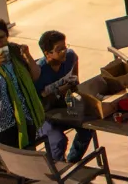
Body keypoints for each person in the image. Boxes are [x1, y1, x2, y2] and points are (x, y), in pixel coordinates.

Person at [33, 30, 94, 164]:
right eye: (59, 49)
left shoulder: (70, 57)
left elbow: (75, 79)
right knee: (58, 141)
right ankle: (58, 170)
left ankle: (71, 164)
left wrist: (72, 86)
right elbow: (36, 102)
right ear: (47, 54)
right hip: (44, 115)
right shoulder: (38, 73)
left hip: (64, 107)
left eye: (65, 47)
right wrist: (57, 92)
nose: (64, 51)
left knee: (88, 129)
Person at [0, 22, 43, 151]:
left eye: (1, 38)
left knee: (28, 158)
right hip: (4, 125)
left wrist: (28, 56)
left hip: (26, 117)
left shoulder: (15, 52)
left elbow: (35, 76)